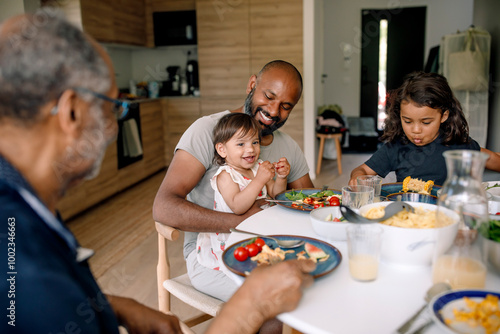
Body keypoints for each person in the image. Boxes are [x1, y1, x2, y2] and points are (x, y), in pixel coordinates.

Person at [0, 11, 316, 334]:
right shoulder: (22, 258)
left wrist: (117, 307)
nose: (114, 125)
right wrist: (252, 305)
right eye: (114, 106)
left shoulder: (24, 211)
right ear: (70, 112)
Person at [153, 60, 314, 303]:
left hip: (264, 249)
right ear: (252, 85)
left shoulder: (288, 146)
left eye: (285, 106)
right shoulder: (208, 130)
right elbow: (163, 206)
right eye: (269, 96)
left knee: (316, 287)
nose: (273, 110)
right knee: (278, 297)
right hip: (212, 255)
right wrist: (241, 222)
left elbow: (309, 203)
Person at [349, 71, 500, 186]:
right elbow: (362, 171)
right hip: (410, 216)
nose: (415, 130)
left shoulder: (459, 145)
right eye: (407, 121)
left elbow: (494, 159)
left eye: (426, 122)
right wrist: (356, 178)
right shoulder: (395, 147)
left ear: (444, 115)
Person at [197, 113, 290, 271]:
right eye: (241, 144)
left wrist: (281, 177)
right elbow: (237, 206)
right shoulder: (225, 176)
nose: (250, 149)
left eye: (255, 142)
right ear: (222, 149)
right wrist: (259, 180)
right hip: (234, 237)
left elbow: (276, 194)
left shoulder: (257, 167)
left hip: (258, 228)